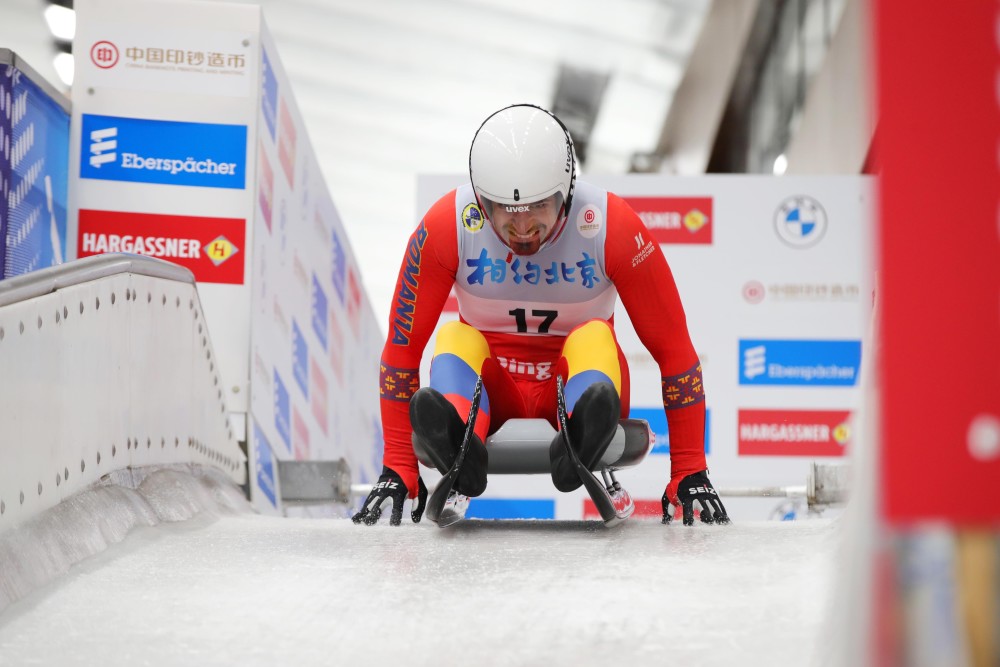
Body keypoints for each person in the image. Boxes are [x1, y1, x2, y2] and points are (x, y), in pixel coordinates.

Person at [352, 104, 728, 527]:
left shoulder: (611, 226)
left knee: (594, 336)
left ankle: (578, 436)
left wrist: (690, 470)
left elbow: (673, 349)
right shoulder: (447, 226)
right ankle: (461, 444)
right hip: (490, 390)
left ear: (566, 193)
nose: (524, 229)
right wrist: (398, 467)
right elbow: (402, 349)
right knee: (455, 337)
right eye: (506, 214)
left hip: (574, 384)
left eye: (539, 209)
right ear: (481, 201)